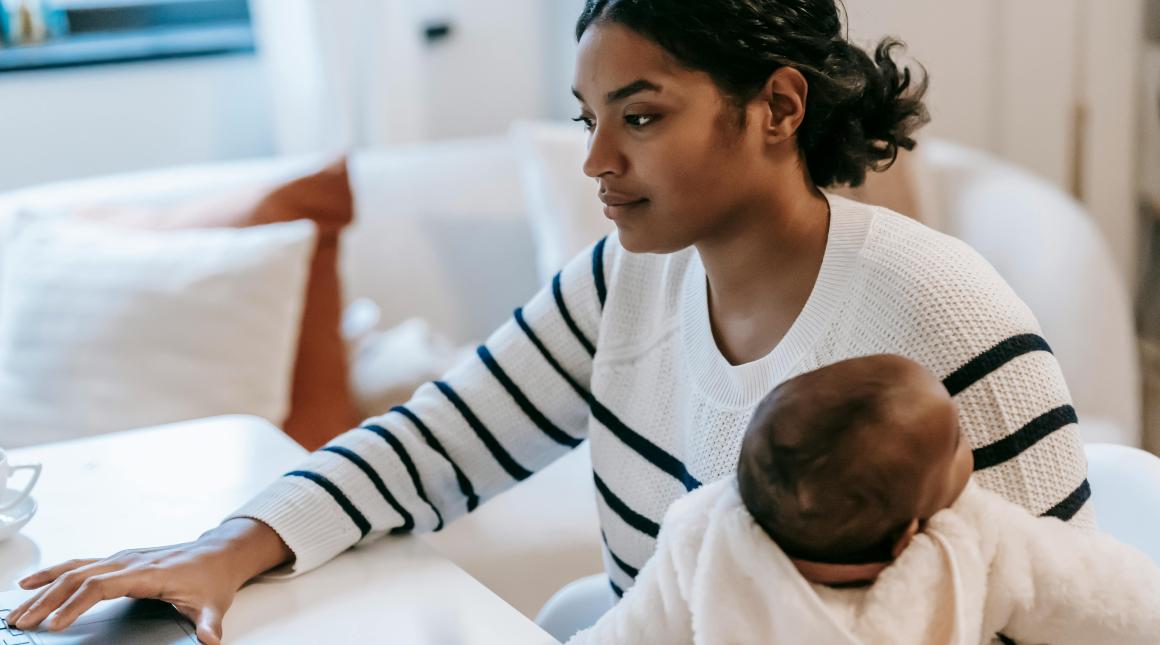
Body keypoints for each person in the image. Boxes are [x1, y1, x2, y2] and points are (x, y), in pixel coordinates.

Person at [5, 1, 1095, 642]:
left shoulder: (936, 314)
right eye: (589, 120)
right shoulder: (621, 282)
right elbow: (438, 442)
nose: (595, 161)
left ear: (774, 107)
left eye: (640, 116)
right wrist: (224, 548)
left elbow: (1054, 609)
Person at [568, 355, 1160, 644]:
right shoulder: (972, 543)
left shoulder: (707, 536)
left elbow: (629, 634)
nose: (970, 441)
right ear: (909, 533)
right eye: (957, 440)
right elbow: (1106, 597)